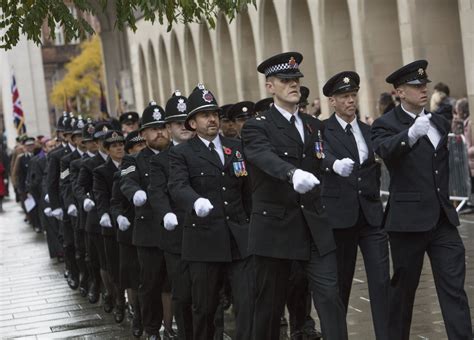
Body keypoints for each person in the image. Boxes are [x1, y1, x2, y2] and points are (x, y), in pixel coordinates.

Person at [241, 52, 347, 340]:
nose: (293, 84)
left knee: (329, 296)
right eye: (285, 80)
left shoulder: (313, 125)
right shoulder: (257, 125)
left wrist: (333, 163)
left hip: (313, 225)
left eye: (296, 79)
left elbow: (319, 155)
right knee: (269, 307)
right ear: (270, 86)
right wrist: (291, 174)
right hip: (276, 228)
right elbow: (262, 155)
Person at [371, 60, 473, 340]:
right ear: (400, 92)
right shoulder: (386, 124)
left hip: (442, 220)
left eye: (424, 84)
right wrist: (408, 136)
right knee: (403, 292)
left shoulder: (439, 121)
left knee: (454, 289)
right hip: (407, 222)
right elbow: (382, 150)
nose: (423, 90)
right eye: (415, 86)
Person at [168, 84, 254, 340]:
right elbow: (177, 185)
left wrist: (251, 225)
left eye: (214, 113)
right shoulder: (181, 153)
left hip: (238, 239)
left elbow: (247, 191)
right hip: (204, 241)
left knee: (247, 302)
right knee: (205, 308)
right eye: (205, 115)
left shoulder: (235, 147)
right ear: (192, 123)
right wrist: (195, 202)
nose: (212, 119)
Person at [321, 71, 390, 339]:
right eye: (344, 97)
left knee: (382, 282)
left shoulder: (368, 130)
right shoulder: (324, 131)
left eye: (353, 95)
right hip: (340, 217)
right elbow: (320, 155)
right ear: (333, 101)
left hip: (371, 216)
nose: (351, 101)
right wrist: (332, 164)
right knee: (340, 285)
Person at [120, 102, 170, 340]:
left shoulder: (179, 154)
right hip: (149, 232)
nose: (159, 132)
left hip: (179, 230)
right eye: (153, 128)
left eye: (162, 127)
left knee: (179, 285)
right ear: (143, 133)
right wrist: (135, 193)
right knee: (150, 285)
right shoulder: (134, 160)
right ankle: (152, 329)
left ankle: (174, 326)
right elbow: (127, 181)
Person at [148, 91, 195, 339]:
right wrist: (166, 213)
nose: (185, 127)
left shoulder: (205, 151)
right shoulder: (160, 161)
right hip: (177, 236)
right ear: (168, 127)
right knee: (184, 293)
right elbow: (157, 192)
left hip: (209, 233)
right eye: (178, 123)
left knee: (211, 294)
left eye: (188, 120)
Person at [111, 130, 146, 337]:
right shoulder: (123, 172)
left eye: (144, 145)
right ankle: (136, 314)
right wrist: (119, 217)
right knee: (133, 278)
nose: (142, 149)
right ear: (130, 151)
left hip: (151, 232)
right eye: (137, 147)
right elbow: (115, 202)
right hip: (130, 232)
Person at [76, 121, 113, 309]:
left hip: (119, 215)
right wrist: (84, 200)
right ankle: (107, 291)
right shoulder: (88, 163)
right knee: (102, 259)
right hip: (98, 217)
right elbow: (79, 186)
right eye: (101, 140)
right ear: (97, 143)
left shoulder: (124, 159)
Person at [93, 129, 127, 323]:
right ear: (107, 150)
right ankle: (119, 300)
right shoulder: (101, 171)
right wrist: (104, 213)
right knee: (113, 266)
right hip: (111, 224)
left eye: (121, 144)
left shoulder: (131, 164)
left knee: (129, 266)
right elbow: (100, 195)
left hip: (128, 223)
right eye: (114, 146)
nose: (119, 148)